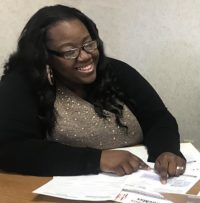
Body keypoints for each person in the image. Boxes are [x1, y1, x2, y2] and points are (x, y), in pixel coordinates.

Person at [0, 4, 186, 184]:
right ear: (44, 55)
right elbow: (11, 149)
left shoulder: (117, 71)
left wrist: (166, 150)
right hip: (65, 189)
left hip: (138, 182)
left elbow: (158, 119)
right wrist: (97, 160)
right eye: (70, 51)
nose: (85, 56)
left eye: (88, 44)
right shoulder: (22, 84)